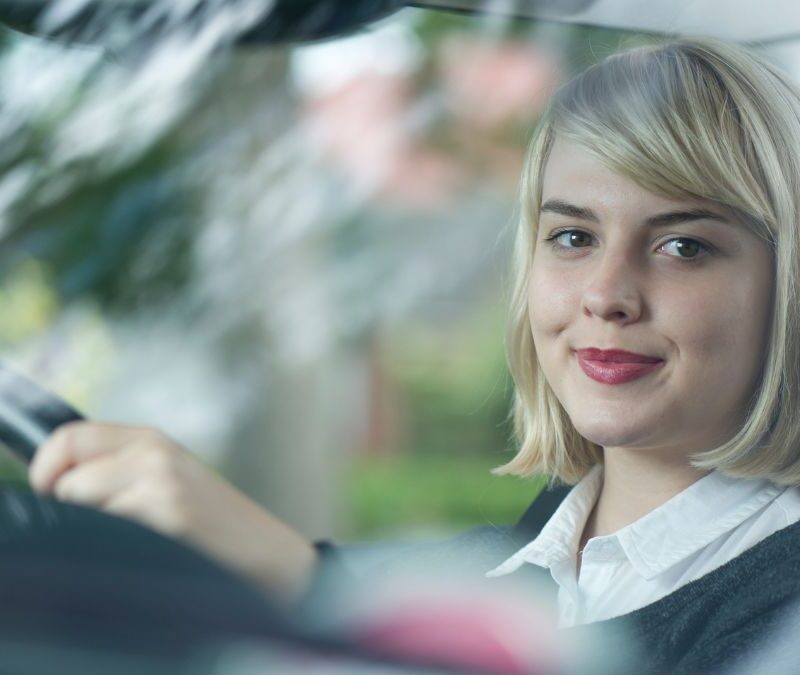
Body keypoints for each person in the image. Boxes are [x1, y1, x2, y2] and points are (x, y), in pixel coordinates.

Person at [25, 34, 800, 671]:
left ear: (786, 282)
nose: (607, 293)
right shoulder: (520, 556)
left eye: (682, 245)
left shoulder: (778, 620)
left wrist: (285, 574)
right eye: (572, 236)